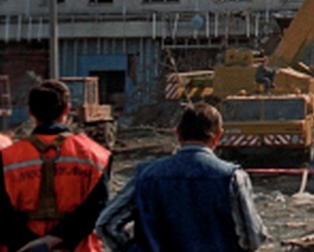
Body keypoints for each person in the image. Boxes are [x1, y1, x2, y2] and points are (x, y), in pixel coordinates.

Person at [96, 102, 265, 252]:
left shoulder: (146, 176)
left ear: (178, 134)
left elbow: (107, 224)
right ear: (218, 136)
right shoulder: (233, 177)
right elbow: (253, 239)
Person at [0, 80, 111, 252]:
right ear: (67, 109)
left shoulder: (7, 157)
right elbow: (97, 208)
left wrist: (32, 246)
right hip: (78, 247)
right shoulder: (94, 155)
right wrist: (57, 240)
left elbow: (3, 215)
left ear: (30, 112)